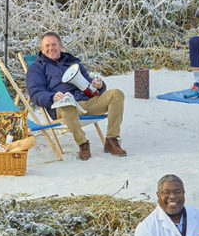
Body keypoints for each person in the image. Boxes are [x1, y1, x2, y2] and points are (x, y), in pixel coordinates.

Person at [25, 31, 127, 160]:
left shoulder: (73, 63)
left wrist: (98, 87)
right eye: (47, 46)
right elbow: (36, 93)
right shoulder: (36, 68)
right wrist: (52, 97)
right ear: (42, 49)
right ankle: (83, 143)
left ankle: (111, 140)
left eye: (54, 44)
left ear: (61, 47)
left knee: (116, 94)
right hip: (62, 106)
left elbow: (87, 85)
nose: (51, 48)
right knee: (68, 106)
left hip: (85, 102)